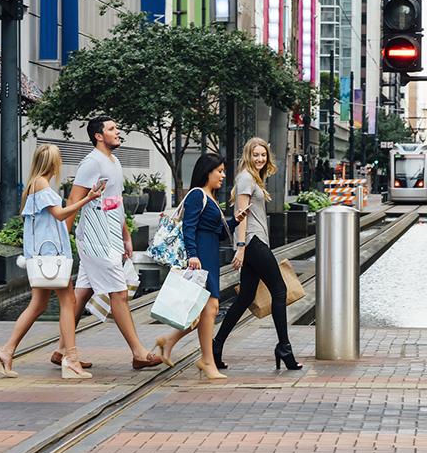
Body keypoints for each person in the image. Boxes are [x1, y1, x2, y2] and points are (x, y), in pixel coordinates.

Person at [52, 116, 163, 370]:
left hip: (111, 235)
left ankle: (61, 350)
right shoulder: (91, 163)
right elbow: (73, 201)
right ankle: (138, 352)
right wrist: (62, 240)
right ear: (98, 136)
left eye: (117, 127)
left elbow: (116, 201)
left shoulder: (114, 161)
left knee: (81, 294)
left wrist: (125, 235)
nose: (118, 131)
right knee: (119, 293)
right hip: (94, 238)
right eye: (112, 128)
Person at [0, 144, 102, 379]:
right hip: (51, 257)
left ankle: (5, 353)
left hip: (42, 257)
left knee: (39, 304)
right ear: (53, 163)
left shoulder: (35, 184)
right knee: (68, 302)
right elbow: (59, 214)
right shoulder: (41, 184)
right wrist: (87, 199)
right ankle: (70, 359)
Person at [212, 138, 302, 371]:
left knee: (245, 297)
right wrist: (241, 247)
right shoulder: (245, 178)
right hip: (252, 242)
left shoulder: (253, 178)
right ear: (248, 156)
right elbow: (241, 215)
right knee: (279, 290)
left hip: (255, 241)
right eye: (256, 155)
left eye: (263, 155)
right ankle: (284, 347)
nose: (260, 159)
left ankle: (216, 346)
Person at [155, 153, 244, 381]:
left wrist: (236, 219)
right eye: (220, 171)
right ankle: (206, 360)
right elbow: (189, 227)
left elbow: (220, 232)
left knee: (205, 310)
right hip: (200, 257)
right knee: (210, 308)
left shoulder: (211, 197)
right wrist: (193, 255)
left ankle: (169, 341)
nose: (223, 176)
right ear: (208, 171)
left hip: (210, 255)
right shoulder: (197, 195)